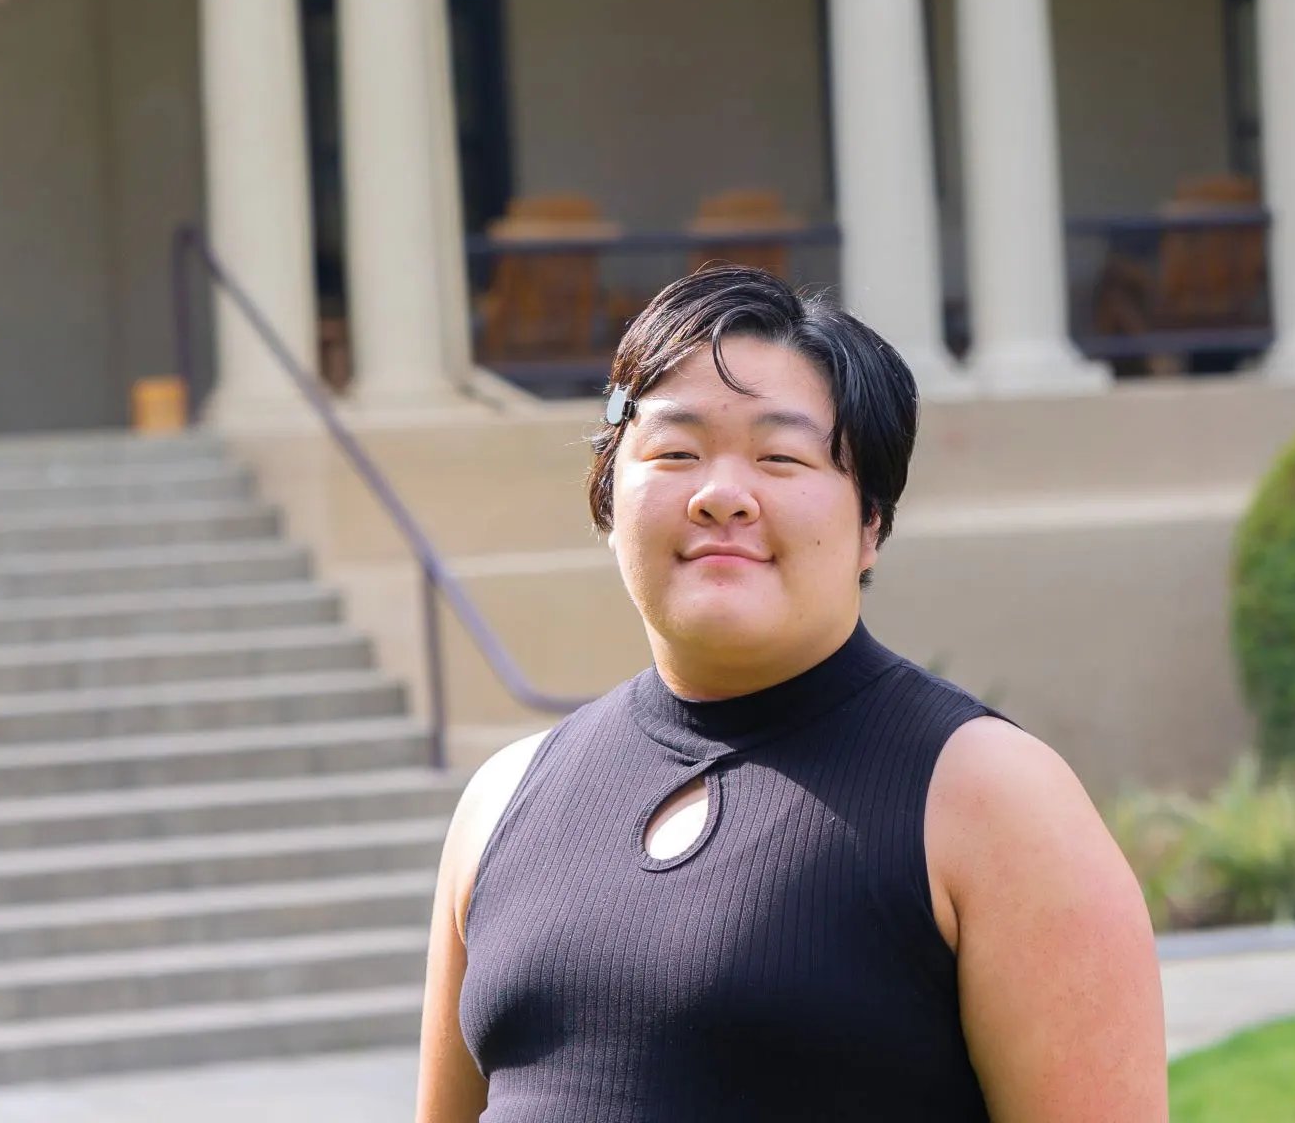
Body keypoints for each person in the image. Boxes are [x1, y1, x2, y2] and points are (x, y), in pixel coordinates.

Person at [416, 266, 1167, 1122]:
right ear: (607, 501)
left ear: (870, 523)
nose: (721, 496)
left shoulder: (990, 799)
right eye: (674, 453)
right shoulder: (502, 801)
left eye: (780, 457)